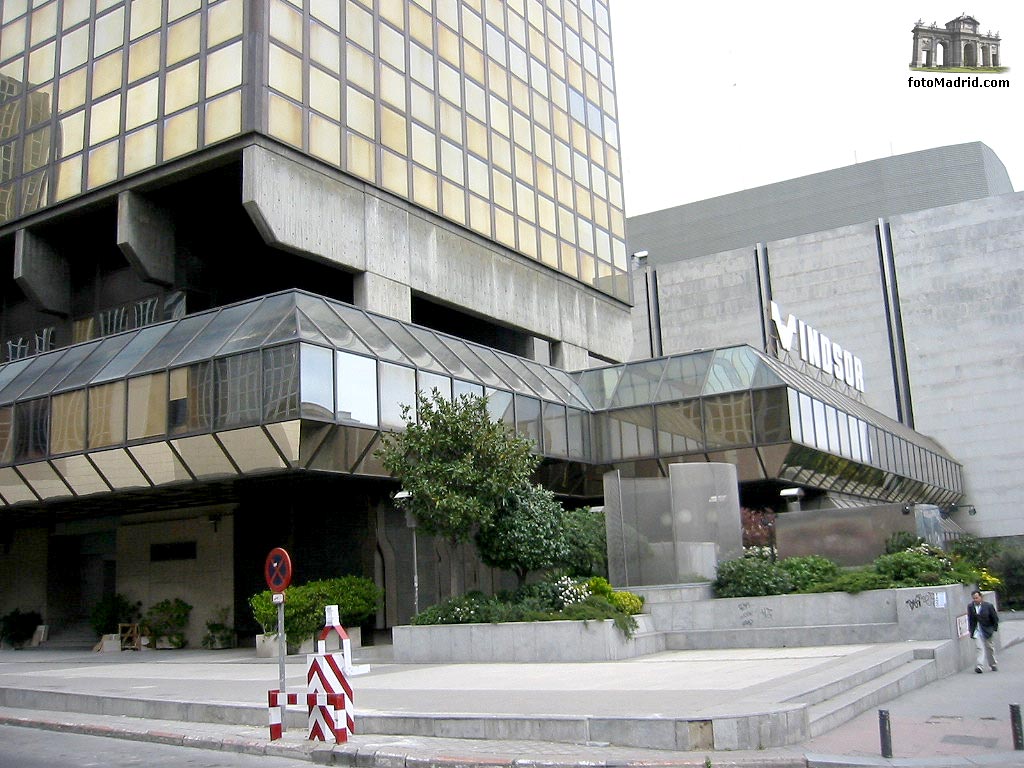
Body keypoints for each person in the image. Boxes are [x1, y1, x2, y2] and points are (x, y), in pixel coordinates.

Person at [967, 589, 999, 673]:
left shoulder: (988, 606)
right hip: (977, 630)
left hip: (987, 630)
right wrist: (971, 630)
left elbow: (995, 618)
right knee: (979, 648)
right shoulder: (971, 607)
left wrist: (993, 628)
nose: (975, 600)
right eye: (973, 598)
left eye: (976, 598)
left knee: (989, 648)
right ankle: (979, 666)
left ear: (981, 597)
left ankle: (993, 664)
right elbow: (970, 619)